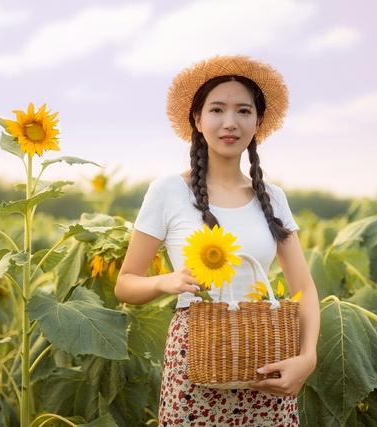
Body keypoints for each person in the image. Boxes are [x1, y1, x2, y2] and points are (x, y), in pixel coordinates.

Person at [115, 55, 320, 426]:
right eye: (217, 110)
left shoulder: (273, 198)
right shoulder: (167, 191)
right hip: (195, 361)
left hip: (267, 360)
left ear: (258, 122)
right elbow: (125, 284)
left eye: (243, 111)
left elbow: (304, 287)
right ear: (197, 119)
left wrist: (307, 358)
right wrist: (170, 282)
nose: (230, 122)